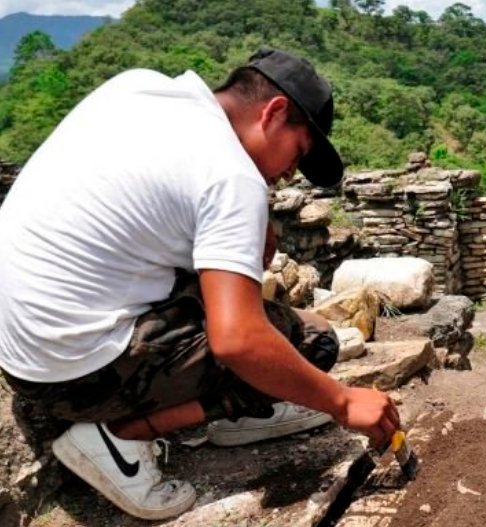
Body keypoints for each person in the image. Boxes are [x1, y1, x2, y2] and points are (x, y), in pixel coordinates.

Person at [0, 49, 400, 520]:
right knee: (310, 342)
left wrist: (258, 217)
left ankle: (230, 415)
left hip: (24, 349)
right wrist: (342, 401)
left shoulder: (139, 87)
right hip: (77, 376)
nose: (291, 174)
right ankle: (123, 434)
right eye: (299, 152)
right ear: (273, 113)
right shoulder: (229, 175)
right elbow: (239, 341)